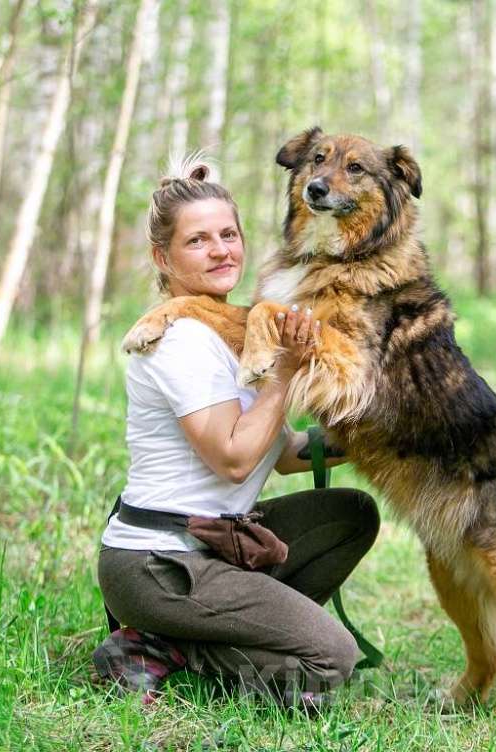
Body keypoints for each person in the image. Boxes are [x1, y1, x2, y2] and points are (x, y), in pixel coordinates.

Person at [92, 156, 380, 713]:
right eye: (198, 241)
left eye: (228, 234)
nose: (221, 249)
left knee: (350, 515)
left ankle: (213, 633)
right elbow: (233, 459)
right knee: (330, 661)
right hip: (159, 563)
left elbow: (287, 454)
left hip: (218, 546)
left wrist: (384, 431)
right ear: (163, 256)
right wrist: (286, 372)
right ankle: (164, 647)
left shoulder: (236, 334)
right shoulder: (180, 341)